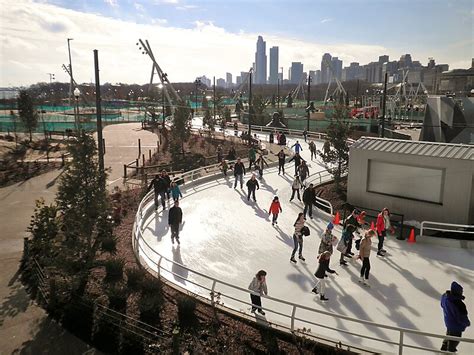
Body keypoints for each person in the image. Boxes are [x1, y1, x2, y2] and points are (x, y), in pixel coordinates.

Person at [440, 281, 471, 352]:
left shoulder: (445, 297)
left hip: (448, 323)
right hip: (456, 327)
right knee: (453, 344)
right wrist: (467, 323)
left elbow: (442, 305)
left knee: (448, 338)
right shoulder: (459, 304)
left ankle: (443, 351)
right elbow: (461, 317)